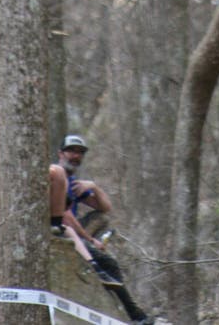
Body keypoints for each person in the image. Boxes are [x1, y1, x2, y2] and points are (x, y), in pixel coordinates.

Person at [52, 134, 155, 325]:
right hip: (60, 228)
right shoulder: (57, 177)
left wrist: (94, 187)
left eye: (80, 152)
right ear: (60, 153)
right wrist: (90, 241)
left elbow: (106, 207)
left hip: (75, 230)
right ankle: (135, 315)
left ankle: (132, 312)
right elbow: (64, 215)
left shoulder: (74, 182)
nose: (75, 156)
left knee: (101, 218)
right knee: (108, 262)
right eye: (71, 151)